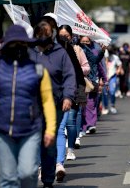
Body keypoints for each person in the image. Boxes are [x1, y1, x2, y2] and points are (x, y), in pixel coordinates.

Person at [0, 25, 56, 188]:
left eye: (21, 44)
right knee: (8, 178)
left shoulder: (38, 70)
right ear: (6, 46)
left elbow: (47, 100)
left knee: (28, 173)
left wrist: (50, 130)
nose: (17, 47)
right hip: (2, 130)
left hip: (31, 129)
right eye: (13, 44)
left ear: (27, 45)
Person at [29, 20, 76, 186]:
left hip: (54, 105)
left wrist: (68, 97)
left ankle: (48, 179)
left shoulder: (60, 53)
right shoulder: (28, 52)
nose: (43, 36)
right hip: (31, 106)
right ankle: (34, 169)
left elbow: (69, 76)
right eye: (40, 33)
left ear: (52, 34)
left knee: (49, 141)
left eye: (47, 33)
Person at [58, 25, 90, 161]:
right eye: (60, 36)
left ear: (71, 36)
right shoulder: (49, 51)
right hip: (56, 92)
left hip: (73, 90)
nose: (64, 38)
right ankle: (57, 158)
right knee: (59, 126)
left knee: (70, 121)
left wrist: (74, 73)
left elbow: (84, 68)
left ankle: (70, 149)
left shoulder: (76, 50)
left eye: (66, 36)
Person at [103, 46, 123, 114]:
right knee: (105, 93)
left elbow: (120, 64)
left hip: (112, 76)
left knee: (112, 91)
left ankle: (112, 106)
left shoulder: (115, 57)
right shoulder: (103, 56)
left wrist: (118, 70)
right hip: (104, 77)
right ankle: (105, 107)